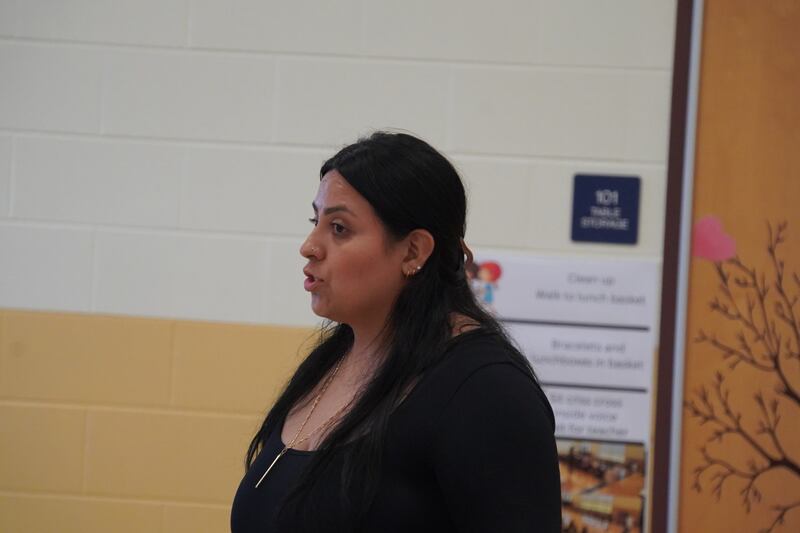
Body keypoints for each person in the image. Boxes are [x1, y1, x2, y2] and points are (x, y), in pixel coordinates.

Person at [231, 131, 562, 532]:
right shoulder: (332, 360)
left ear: (413, 251)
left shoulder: (486, 391)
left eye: (339, 228)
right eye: (315, 221)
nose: (309, 246)